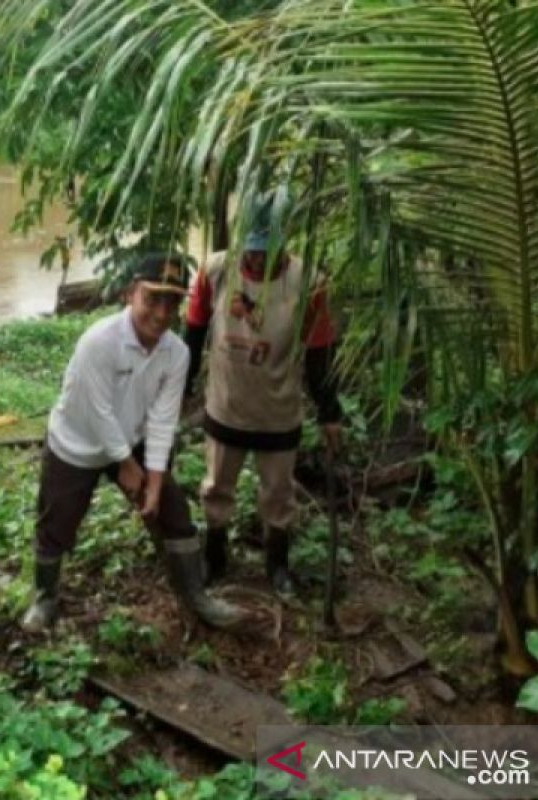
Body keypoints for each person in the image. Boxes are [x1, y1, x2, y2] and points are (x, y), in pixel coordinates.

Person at [20, 253, 248, 633]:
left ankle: (195, 596)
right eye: (152, 299)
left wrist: (154, 481)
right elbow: (98, 412)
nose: (161, 313)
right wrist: (125, 465)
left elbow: (162, 420)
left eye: (172, 302)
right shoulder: (99, 341)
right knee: (56, 520)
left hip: (133, 437)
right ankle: (45, 599)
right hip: (78, 441)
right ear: (130, 294)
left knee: (173, 511)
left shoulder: (176, 352)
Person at [183, 187, 343, 596]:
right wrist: (180, 391)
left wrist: (329, 412)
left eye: (265, 251)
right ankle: (215, 557)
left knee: (278, 494)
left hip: (277, 410)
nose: (255, 259)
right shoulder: (215, 272)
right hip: (226, 408)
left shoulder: (307, 283)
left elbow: (319, 354)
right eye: (250, 250)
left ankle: (277, 565)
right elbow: (194, 335)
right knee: (217, 487)